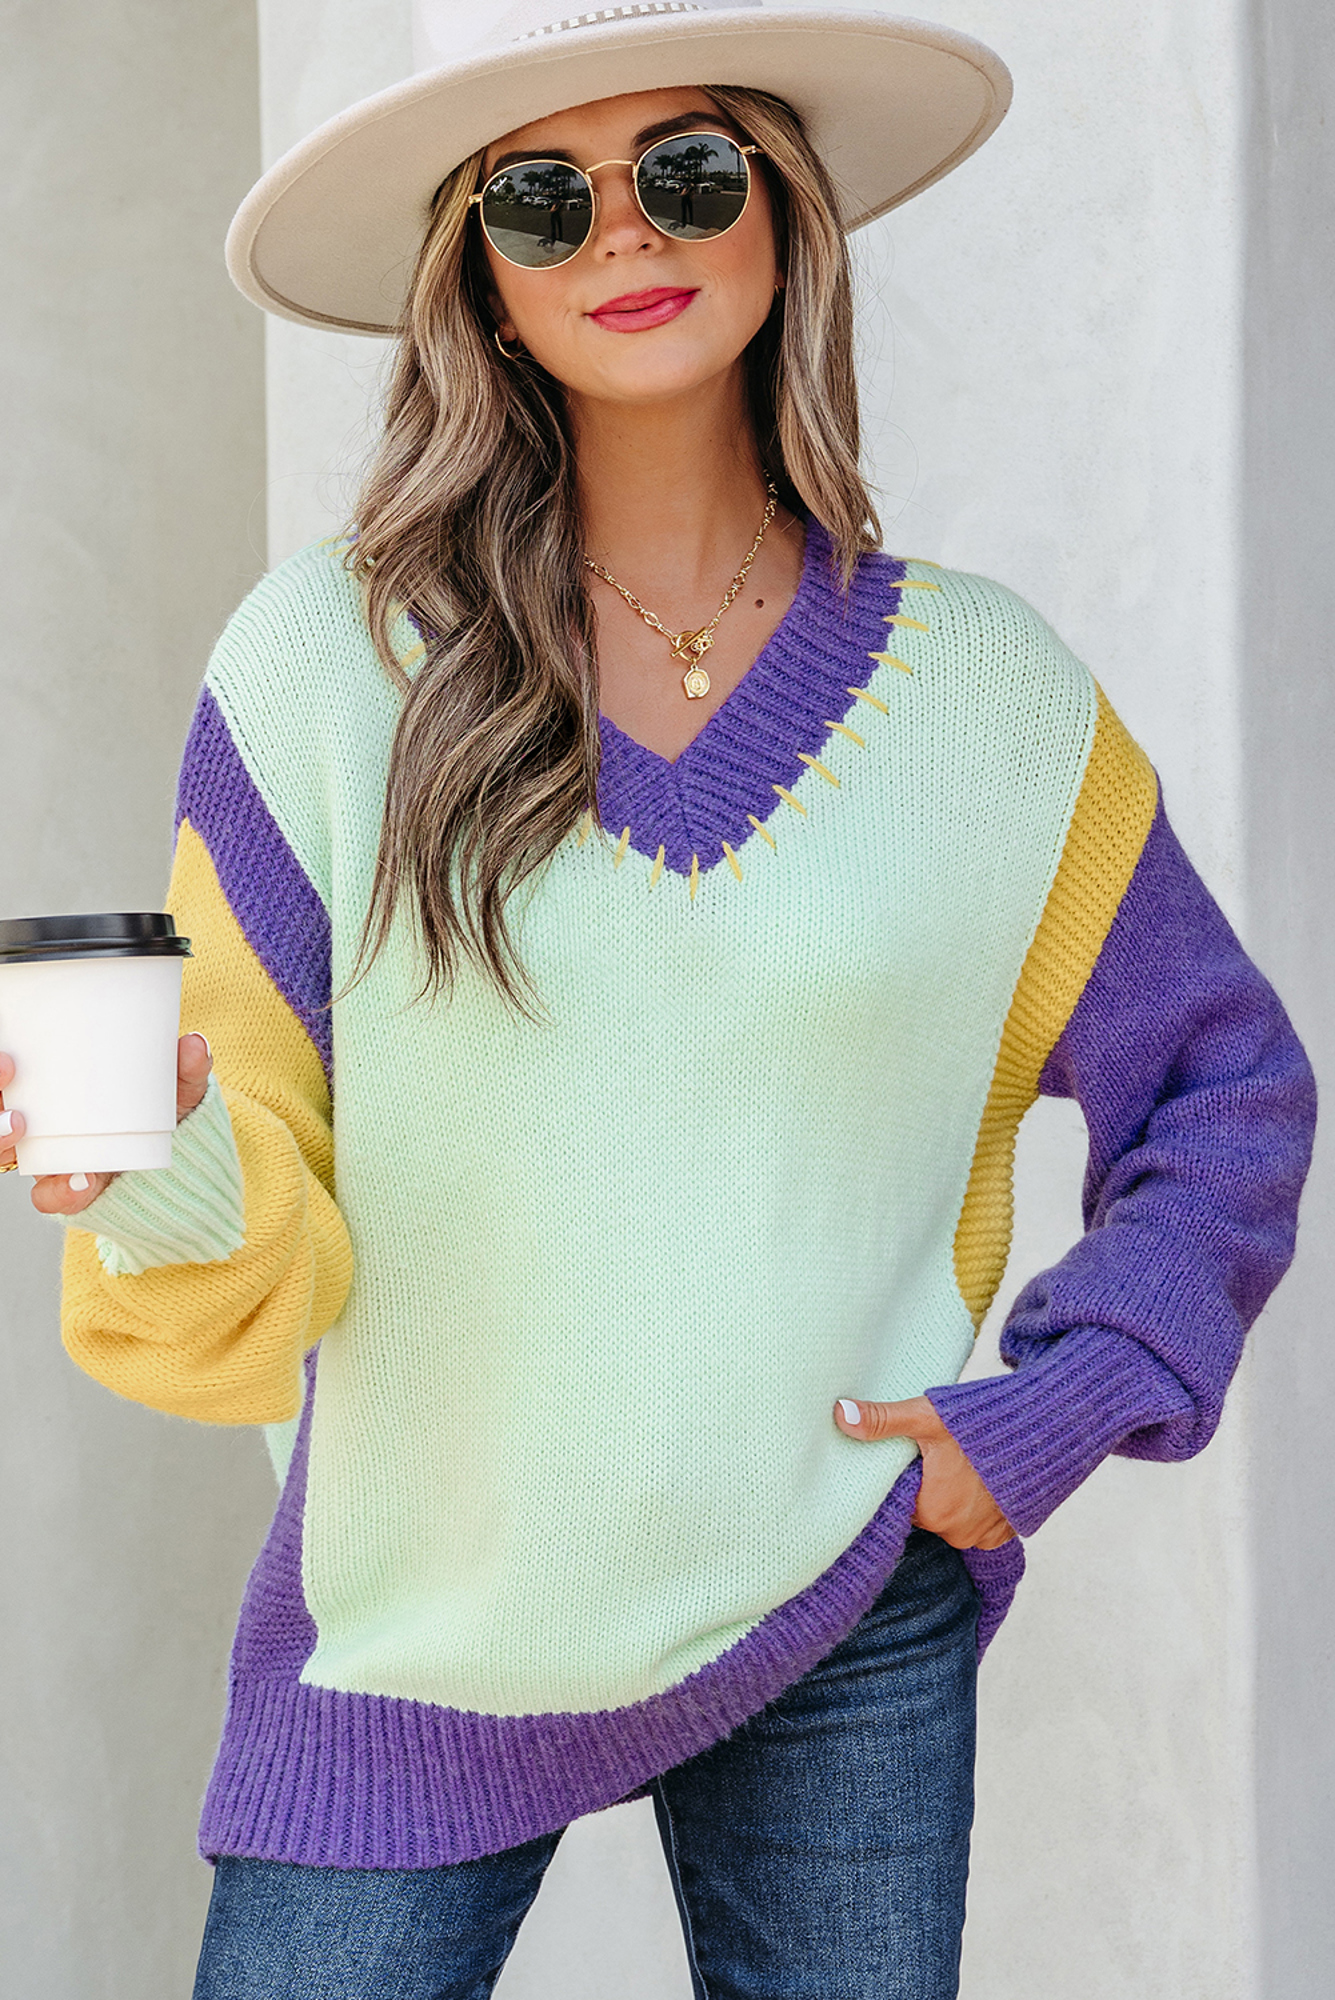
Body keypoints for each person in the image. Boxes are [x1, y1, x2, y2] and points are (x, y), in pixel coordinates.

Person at [0, 5, 1316, 1996]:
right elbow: (252, 1160)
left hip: (840, 1601)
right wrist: (153, 1168)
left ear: (782, 212)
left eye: (687, 172)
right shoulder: (318, 671)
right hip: (420, 1629)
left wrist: (1058, 1400)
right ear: (480, 279)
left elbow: (1226, 1082)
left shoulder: (989, 701)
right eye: (543, 197)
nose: (622, 229)